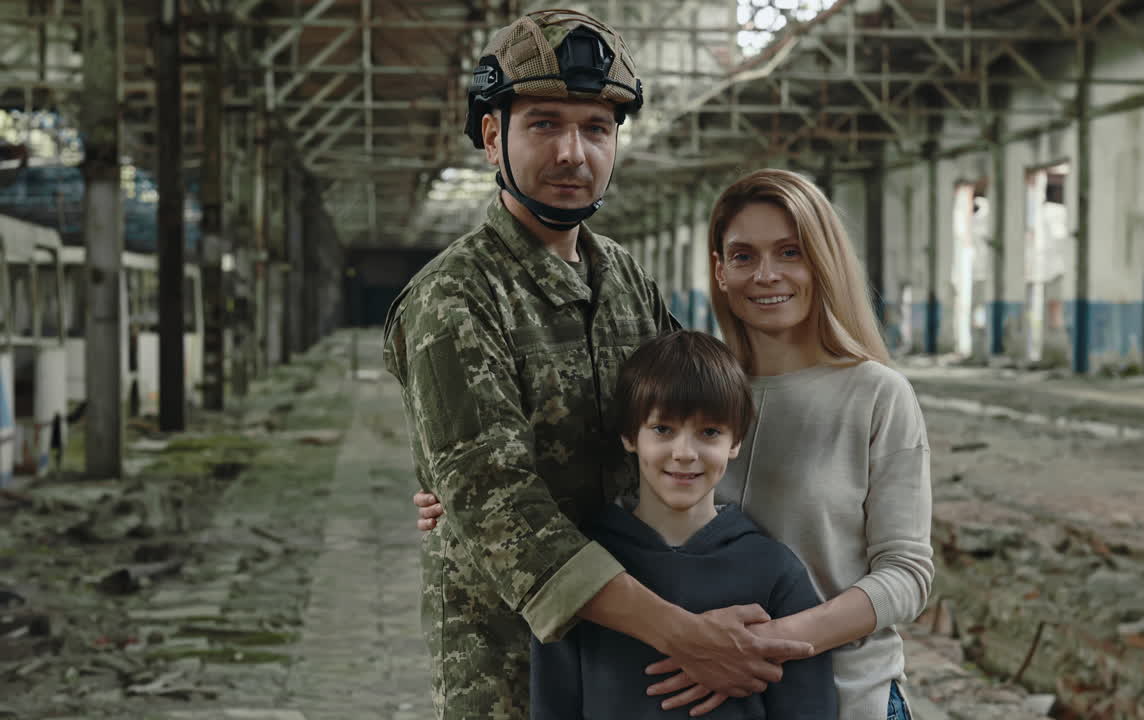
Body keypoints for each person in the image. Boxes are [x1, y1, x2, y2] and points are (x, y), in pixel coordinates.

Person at [384, 11, 813, 719]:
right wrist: (688, 635)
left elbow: (699, 413)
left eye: (596, 128)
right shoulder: (455, 297)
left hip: (638, 661)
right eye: (544, 124)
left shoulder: (624, 278)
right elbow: (503, 512)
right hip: (511, 667)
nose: (573, 154)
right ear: (494, 136)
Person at [416, 169, 934, 720]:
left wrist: (758, 646)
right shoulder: (699, 390)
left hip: (848, 693)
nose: (766, 274)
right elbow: (605, 461)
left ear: (824, 262)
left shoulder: (877, 395)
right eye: (743, 256)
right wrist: (465, 498)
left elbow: (907, 574)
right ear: (720, 270)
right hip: (686, 690)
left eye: (790, 252)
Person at [530, 330, 837, 719]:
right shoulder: (582, 572)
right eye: (663, 429)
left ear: (736, 440)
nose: (685, 453)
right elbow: (552, 708)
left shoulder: (776, 572)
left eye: (709, 432)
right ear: (629, 435)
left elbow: (809, 709)